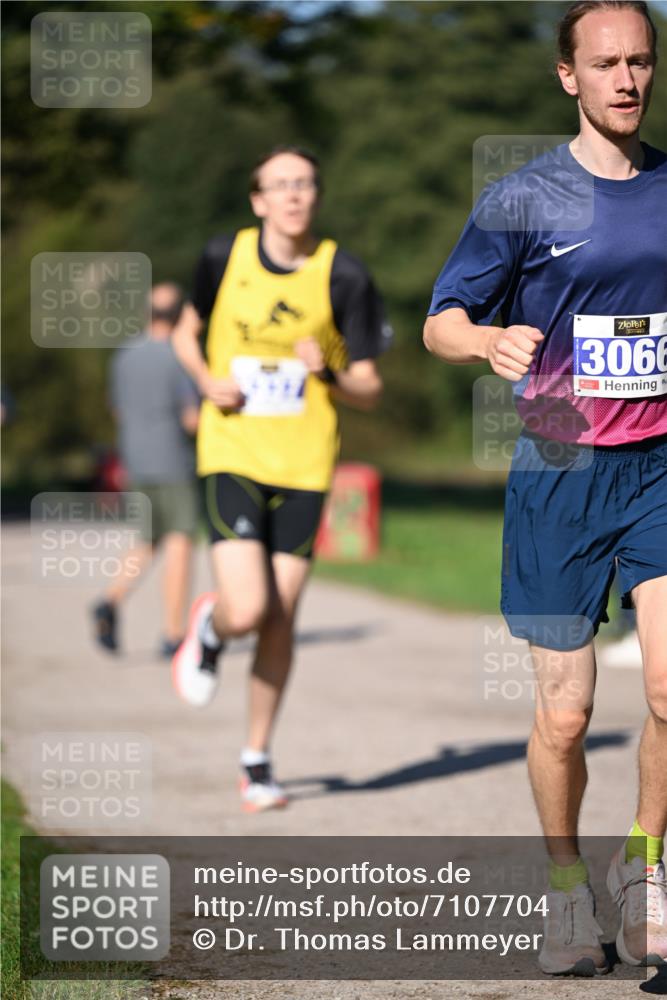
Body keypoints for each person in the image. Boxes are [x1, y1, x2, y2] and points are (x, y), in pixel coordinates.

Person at [424, 1, 666, 975]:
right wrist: (484, 339)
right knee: (564, 714)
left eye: (640, 61)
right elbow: (442, 317)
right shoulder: (523, 198)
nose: (625, 80)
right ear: (566, 76)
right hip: (559, 468)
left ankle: (644, 870)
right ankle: (567, 890)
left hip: (661, 465)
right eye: (604, 63)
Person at [170, 146, 388, 812]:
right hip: (231, 451)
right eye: (279, 185)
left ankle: (256, 760)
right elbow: (185, 332)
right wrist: (206, 379)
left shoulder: (342, 275)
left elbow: (369, 388)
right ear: (257, 199)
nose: (294, 195)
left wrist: (325, 364)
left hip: (302, 465)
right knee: (249, 609)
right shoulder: (221, 257)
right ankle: (210, 626)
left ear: (315, 197)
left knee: (280, 621)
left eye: (304, 184)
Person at [92, 283, 200, 658]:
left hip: (135, 461)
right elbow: (192, 419)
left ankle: (110, 599)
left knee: (147, 540)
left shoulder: (123, 355)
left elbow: (117, 409)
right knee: (180, 542)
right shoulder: (180, 355)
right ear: (183, 315)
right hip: (173, 461)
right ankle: (173, 634)